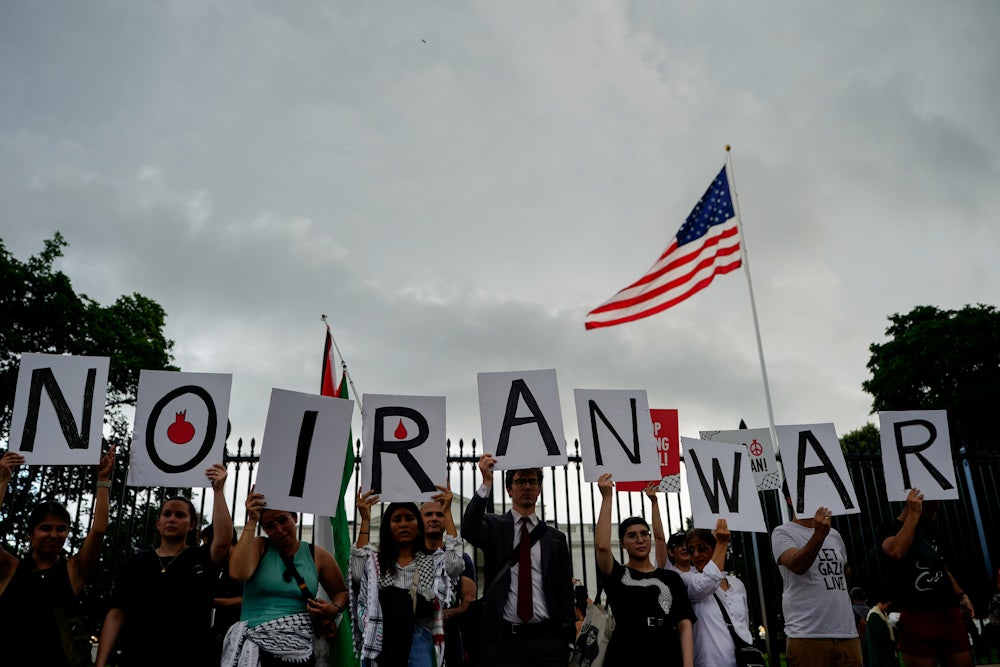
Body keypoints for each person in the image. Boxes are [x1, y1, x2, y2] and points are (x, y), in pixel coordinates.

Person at [95, 463, 234, 667]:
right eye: (167, 514)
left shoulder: (200, 558)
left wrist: (218, 491)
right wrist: (100, 663)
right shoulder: (137, 561)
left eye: (180, 515)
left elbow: (222, 540)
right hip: (137, 657)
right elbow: (117, 613)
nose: (172, 519)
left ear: (192, 525)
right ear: (158, 523)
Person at [0, 447, 114, 667]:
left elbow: (98, 530)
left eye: (61, 529)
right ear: (30, 533)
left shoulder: (73, 571)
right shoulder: (9, 569)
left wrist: (103, 481)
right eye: (45, 528)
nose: (54, 535)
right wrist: (3, 479)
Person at [460, 454, 575, 667]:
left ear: (539, 490)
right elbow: (468, 529)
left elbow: (564, 592)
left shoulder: (555, 539)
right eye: (520, 481)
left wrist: (567, 641)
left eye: (532, 481)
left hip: (547, 642)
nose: (527, 486)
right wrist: (485, 484)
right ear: (509, 489)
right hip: (503, 643)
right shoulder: (494, 526)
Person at [223, 488, 350, 666]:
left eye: (283, 520)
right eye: (270, 526)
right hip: (256, 648)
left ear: (295, 518)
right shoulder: (260, 546)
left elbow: (341, 592)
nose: (279, 529)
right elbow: (238, 572)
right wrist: (252, 520)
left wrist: (334, 608)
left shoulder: (317, 555)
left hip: (299, 650)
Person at [352, 487, 465, 667]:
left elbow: (456, 565)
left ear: (418, 526)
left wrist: (447, 511)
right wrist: (365, 519)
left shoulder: (432, 561)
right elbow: (357, 574)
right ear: (387, 527)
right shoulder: (376, 563)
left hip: (419, 640)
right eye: (397, 519)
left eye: (409, 518)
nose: (404, 524)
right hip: (382, 641)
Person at [595, 473, 695, 666]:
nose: (640, 540)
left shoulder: (670, 578)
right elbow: (602, 547)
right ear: (623, 544)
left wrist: (688, 664)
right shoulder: (616, 574)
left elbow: (684, 623)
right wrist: (607, 497)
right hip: (627, 652)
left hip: (667, 651)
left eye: (644, 534)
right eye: (632, 536)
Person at [878, 487, 975, 667]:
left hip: (949, 612)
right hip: (918, 615)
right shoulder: (889, 529)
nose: (933, 516)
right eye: (929, 511)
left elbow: (942, 568)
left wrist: (961, 595)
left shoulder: (933, 530)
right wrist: (913, 515)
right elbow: (896, 551)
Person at [770, 489, 862, 667]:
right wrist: (819, 535)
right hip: (807, 635)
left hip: (847, 634)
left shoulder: (834, 534)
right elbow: (797, 565)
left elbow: (845, 571)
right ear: (789, 500)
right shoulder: (782, 533)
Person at [421, 492, 477, 667]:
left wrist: (445, 614)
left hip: (452, 639)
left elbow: (469, 601)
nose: (435, 518)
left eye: (440, 514)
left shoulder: (463, 560)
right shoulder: (410, 557)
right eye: (428, 514)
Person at [686, 523, 753, 667]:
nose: (696, 554)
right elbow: (707, 583)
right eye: (691, 551)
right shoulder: (689, 580)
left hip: (742, 662)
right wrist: (723, 542)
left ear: (714, 549)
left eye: (702, 548)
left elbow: (743, 624)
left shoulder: (737, 584)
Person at [863, 597, 897, 667]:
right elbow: (880, 636)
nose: (888, 607)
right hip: (878, 651)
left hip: (884, 650)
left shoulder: (883, 613)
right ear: (882, 603)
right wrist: (891, 643)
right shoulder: (874, 615)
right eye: (888, 605)